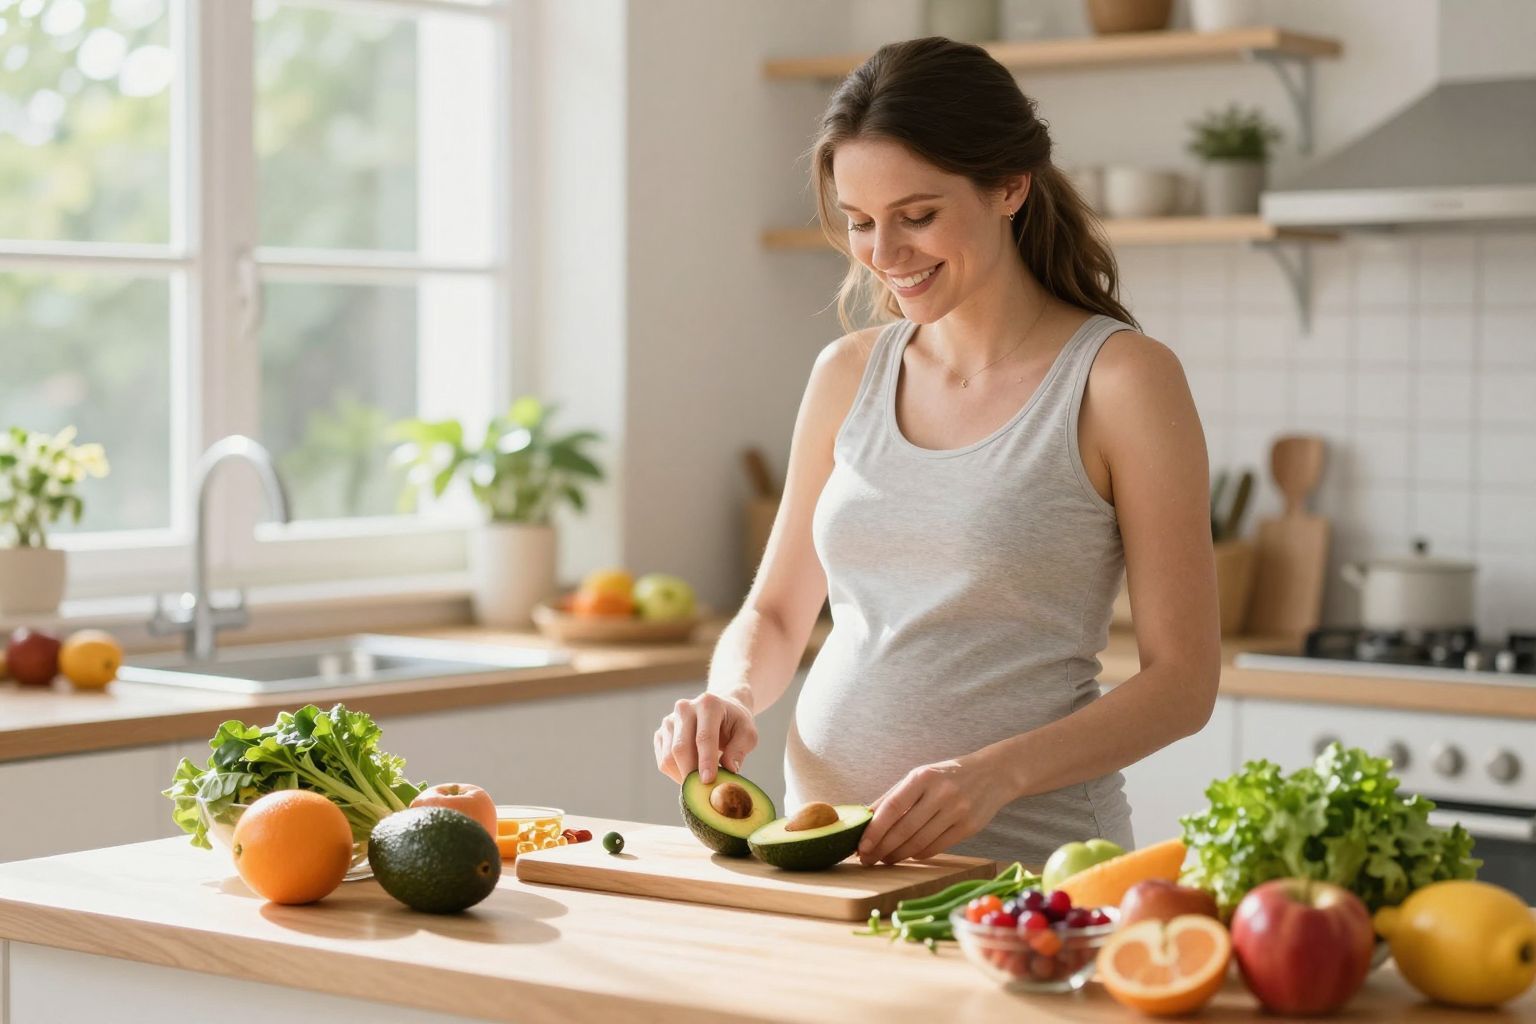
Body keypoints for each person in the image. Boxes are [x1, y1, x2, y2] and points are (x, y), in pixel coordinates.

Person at [653, 37, 1220, 869]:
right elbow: (776, 613)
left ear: (1010, 187)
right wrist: (731, 692)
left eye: (917, 216)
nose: (884, 254)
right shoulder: (848, 373)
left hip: (1026, 867)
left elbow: (1184, 682)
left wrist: (994, 775)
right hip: (824, 860)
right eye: (859, 223)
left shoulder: (1121, 381)